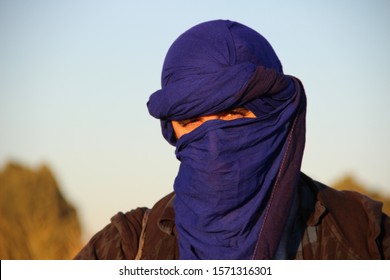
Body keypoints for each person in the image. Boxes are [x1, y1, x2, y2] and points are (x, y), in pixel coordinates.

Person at [74, 19, 390, 260]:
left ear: (275, 116)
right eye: (191, 120)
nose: (213, 140)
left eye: (232, 114)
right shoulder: (128, 248)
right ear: (173, 130)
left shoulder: (363, 237)